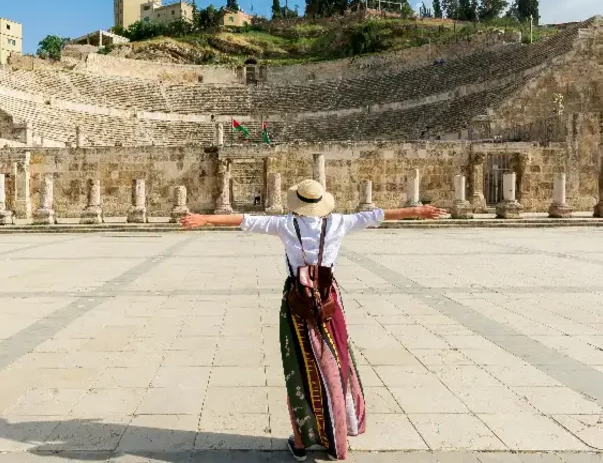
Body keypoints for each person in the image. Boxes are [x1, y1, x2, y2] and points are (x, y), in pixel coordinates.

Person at [180, 179, 447, 461]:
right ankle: (337, 440)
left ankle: (301, 440)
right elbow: (379, 214)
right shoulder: (341, 223)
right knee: (335, 363)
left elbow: (244, 220)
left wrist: (203, 218)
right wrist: (417, 211)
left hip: (297, 303)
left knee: (298, 367)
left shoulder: (284, 225)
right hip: (329, 302)